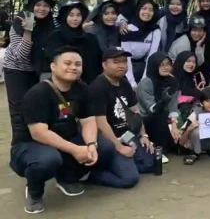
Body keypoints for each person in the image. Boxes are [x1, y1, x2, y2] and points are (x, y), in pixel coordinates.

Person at [10, 47, 129, 214]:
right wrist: (75, 150)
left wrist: (91, 144)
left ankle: (67, 177)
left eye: (78, 64)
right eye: (67, 63)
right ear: (53, 66)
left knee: (105, 147)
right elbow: (39, 132)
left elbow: (88, 121)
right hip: (31, 145)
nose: (73, 67)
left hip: (65, 139)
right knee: (48, 159)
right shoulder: (37, 93)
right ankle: (34, 191)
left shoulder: (82, 89)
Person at [90, 47, 155, 175]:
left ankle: (123, 164)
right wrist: (119, 147)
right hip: (107, 139)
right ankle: (91, 175)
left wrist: (143, 135)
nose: (122, 65)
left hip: (127, 134)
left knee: (150, 163)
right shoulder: (97, 87)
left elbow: (135, 111)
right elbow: (101, 123)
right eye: (116, 62)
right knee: (130, 178)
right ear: (104, 65)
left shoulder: (124, 83)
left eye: (124, 61)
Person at [4, 0, 57, 144]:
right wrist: (28, 32)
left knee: (37, 108)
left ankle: (38, 143)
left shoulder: (52, 23)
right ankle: (19, 147)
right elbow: (21, 55)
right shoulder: (19, 22)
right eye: (37, 5)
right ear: (31, 6)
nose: (41, 9)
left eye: (45, 5)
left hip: (39, 70)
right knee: (19, 111)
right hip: (17, 71)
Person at [42, 0, 102, 84]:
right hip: (62, 84)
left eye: (78, 15)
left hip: (87, 85)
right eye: (71, 15)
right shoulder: (55, 37)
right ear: (65, 16)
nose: (75, 19)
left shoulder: (90, 39)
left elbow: (97, 63)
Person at [136, 52, 180, 161]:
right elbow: (152, 109)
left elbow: (173, 106)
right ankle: (158, 149)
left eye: (168, 64)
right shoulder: (145, 83)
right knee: (160, 116)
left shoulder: (172, 81)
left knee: (180, 120)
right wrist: (165, 97)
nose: (166, 67)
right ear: (154, 66)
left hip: (163, 116)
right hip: (145, 118)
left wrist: (174, 126)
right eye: (161, 65)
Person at [121, 0, 161, 88]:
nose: (147, 12)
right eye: (144, 8)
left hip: (143, 67)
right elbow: (126, 57)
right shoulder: (128, 29)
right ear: (138, 10)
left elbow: (151, 55)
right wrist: (132, 82)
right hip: (126, 66)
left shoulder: (155, 30)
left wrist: (144, 79)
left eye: (150, 10)